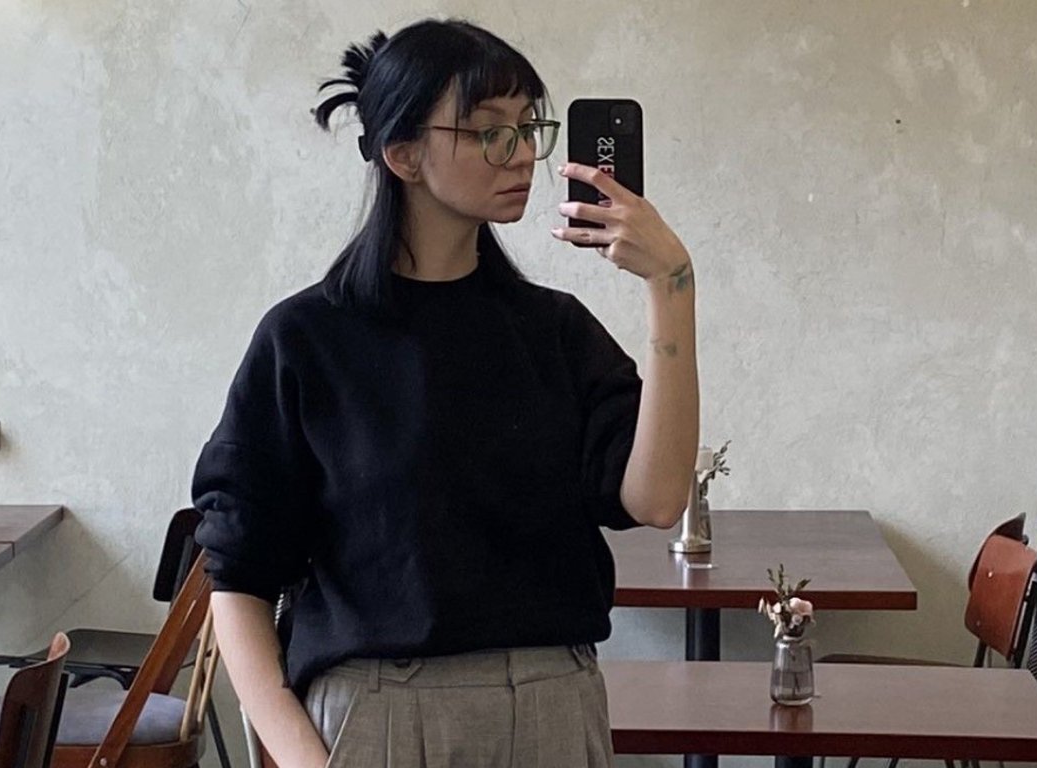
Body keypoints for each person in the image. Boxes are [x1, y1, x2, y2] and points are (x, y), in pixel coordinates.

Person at [191, 17, 698, 768]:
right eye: (489, 131)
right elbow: (238, 577)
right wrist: (302, 759)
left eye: (528, 126)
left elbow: (655, 500)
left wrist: (672, 285)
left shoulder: (553, 331)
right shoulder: (306, 340)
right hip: (378, 713)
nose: (521, 153)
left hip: (554, 706)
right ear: (403, 154)